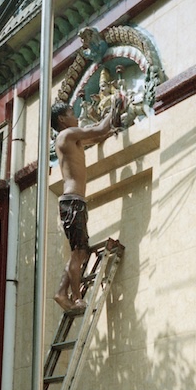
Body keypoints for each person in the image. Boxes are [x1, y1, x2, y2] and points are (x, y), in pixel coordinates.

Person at [50, 95, 123, 312]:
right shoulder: (67, 134)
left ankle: (62, 293)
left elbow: (99, 136)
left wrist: (109, 129)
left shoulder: (72, 140)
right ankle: (76, 298)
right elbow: (99, 129)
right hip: (73, 202)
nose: (77, 117)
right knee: (78, 253)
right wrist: (115, 106)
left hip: (75, 202)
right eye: (72, 114)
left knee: (79, 251)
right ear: (62, 119)